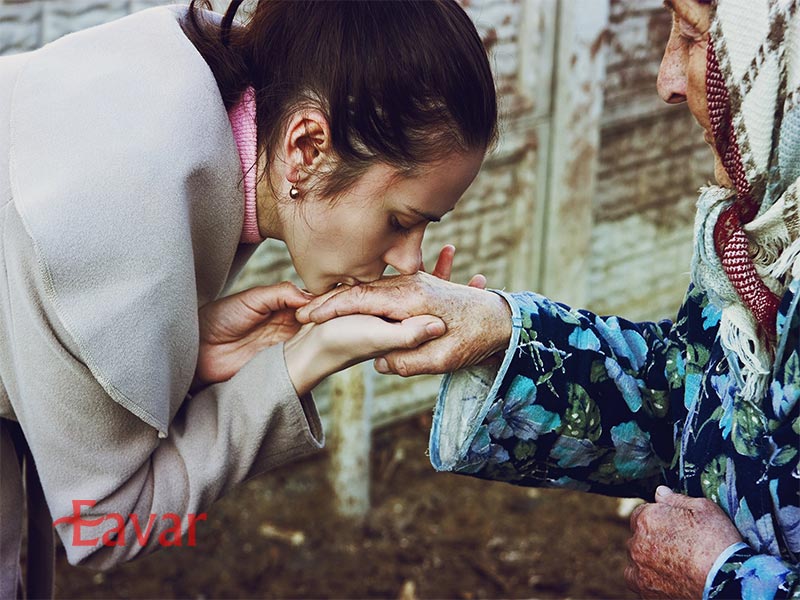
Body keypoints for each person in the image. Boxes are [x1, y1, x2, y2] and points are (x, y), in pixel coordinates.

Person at [297, 0, 800, 597]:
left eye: (692, 36)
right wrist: (500, 333)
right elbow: (691, 399)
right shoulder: (759, 245)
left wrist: (725, 581)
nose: (665, 80)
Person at [0, 0, 497, 596]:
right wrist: (304, 364)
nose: (410, 261)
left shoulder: (185, 83)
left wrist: (191, 348)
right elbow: (105, 526)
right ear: (307, 147)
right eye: (400, 220)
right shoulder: (108, 226)